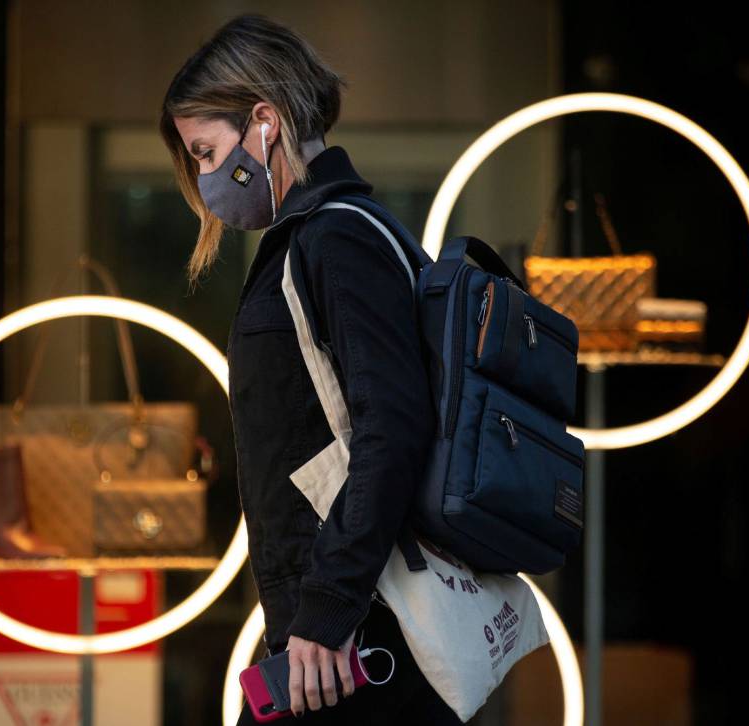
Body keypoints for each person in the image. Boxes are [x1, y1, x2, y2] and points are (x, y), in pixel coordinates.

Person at [160, 14, 465, 725]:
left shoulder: (337, 237)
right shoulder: (323, 236)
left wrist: (328, 607)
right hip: (329, 635)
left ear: (264, 120)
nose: (206, 179)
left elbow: (392, 427)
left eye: (207, 152)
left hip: (350, 642)